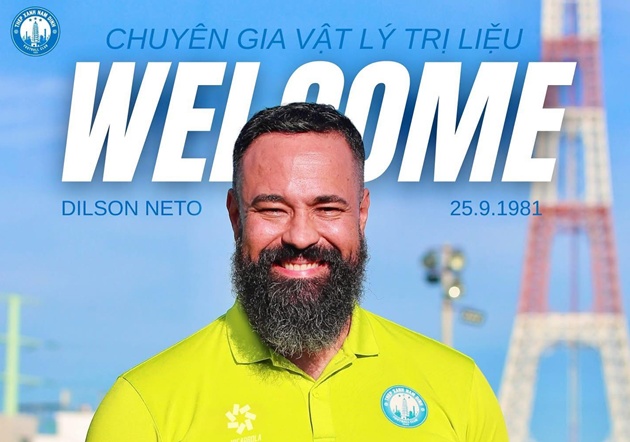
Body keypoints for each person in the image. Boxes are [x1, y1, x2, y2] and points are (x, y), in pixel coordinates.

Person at [86, 102, 508, 441]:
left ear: (361, 214)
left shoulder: (459, 388)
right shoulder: (144, 407)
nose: (301, 236)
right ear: (235, 216)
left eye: (327, 209)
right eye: (273, 209)